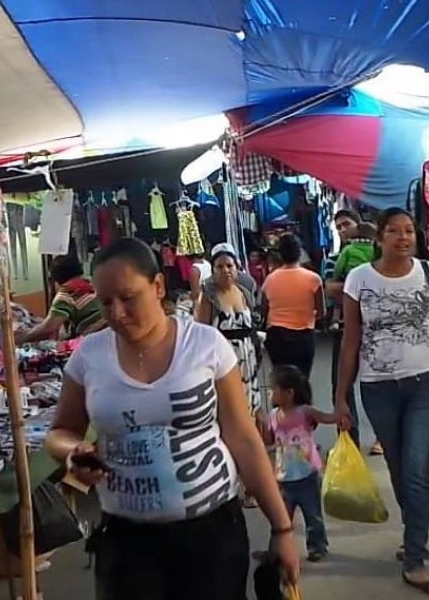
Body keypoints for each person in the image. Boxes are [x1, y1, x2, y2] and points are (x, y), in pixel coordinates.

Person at [45, 237, 299, 600]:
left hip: (211, 535)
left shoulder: (205, 346)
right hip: (126, 541)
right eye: (105, 302)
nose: (117, 313)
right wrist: (72, 452)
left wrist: (282, 529)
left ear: (158, 286)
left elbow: (243, 439)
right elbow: (60, 432)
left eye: (128, 297)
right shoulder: (89, 357)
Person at [335, 207, 429, 596]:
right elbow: (350, 341)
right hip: (378, 387)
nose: (404, 238)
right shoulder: (358, 279)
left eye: (409, 232)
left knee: (417, 471)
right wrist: (341, 397)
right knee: (401, 472)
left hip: (425, 382)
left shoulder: (428, 273)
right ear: (379, 237)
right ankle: (413, 532)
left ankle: (415, 559)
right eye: (395, 232)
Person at [258, 365, 337, 562]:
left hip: (307, 475)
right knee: (281, 518)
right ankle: (276, 550)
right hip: (284, 477)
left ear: (289, 393)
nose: (270, 393)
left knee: (313, 516)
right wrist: (261, 424)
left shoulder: (304, 412)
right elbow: (268, 441)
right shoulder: (274, 416)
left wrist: (340, 417)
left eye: (273, 388)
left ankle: (317, 546)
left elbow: (326, 418)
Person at [325, 209, 381, 454]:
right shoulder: (334, 257)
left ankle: (382, 437)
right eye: (337, 227)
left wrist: (350, 286)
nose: (342, 230)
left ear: (358, 225)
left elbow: (338, 287)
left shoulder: (367, 252)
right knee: (343, 386)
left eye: (345, 224)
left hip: (374, 330)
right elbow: (329, 287)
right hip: (346, 329)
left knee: (379, 384)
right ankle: (349, 442)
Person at [196, 244, 262, 417]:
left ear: (236, 267)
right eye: (220, 266)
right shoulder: (209, 297)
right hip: (224, 361)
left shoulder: (243, 293)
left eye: (229, 266)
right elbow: (201, 332)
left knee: (250, 408)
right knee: (230, 409)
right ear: (213, 270)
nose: (225, 270)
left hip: (248, 359)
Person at [261, 234, 325, 377]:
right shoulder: (314, 279)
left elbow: (263, 311)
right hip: (304, 336)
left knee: (281, 379)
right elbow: (321, 312)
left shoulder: (270, 280)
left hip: (277, 336)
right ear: (300, 253)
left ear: (281, 254)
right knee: (302, 378)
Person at [15, 255, 105, 344]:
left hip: (96, 340)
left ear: (56, 279)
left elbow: (48, 329)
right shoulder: (92, 282)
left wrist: (20, 338)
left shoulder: (68, 291)